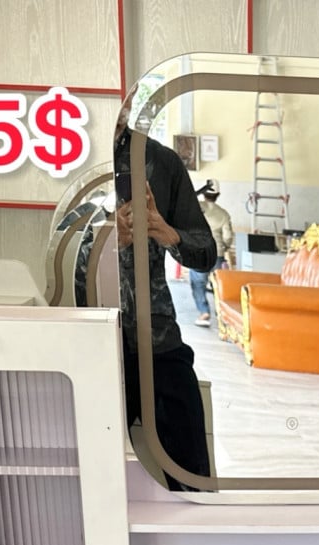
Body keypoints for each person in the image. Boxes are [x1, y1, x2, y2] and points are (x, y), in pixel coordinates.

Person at [114, 111, 217, 489]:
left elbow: (206, 253)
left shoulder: (159, 161)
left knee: (192, 474)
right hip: (84, 343)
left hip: (156, 340)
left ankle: (197, 523)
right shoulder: (63, 158)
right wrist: (106, 242)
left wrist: (169, 234)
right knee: (87, 471)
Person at [190, 180, 235, 326]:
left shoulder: (196, 208)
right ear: (218, 195)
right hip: (217, 253)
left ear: (204, 194)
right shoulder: (224, 214)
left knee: (198, 283)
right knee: (218, 284)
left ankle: (204, 313)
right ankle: (221, 314)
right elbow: (228, 237)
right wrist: (224, 247)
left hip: (199, 251)